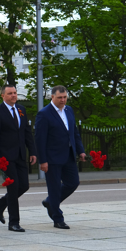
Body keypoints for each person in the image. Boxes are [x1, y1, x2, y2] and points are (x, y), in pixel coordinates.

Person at [34, 85, 86, 229]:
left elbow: (74, 133)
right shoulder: (44, 114)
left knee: (73, 182)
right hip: (52, 158)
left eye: (64, 97)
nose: (63, 100)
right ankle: (57, 218)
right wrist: (43, 160)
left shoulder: (69, 110)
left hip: (68, 155)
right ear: (52, 97)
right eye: (60, 98)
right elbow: (39, 139)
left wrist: (80, 151)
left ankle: (50, 202)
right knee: (54, 188)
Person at [0, 84, 37, 232]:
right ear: (3, 96)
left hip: (20, 155)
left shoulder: (21, 109)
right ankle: (14, 222)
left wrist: (33, 151)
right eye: (10, 93)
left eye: (15, 93)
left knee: (24, 185)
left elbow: (26, 132)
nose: (13, 96)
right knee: (13, 187)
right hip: (6, 157)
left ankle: (1, 204)